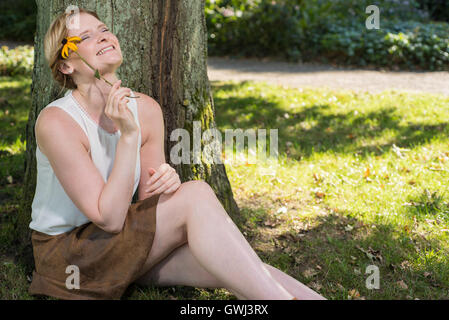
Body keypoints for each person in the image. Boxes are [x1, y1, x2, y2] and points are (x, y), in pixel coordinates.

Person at [29, 7, 326, 300]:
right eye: (86, 37)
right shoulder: (58, 122)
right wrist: (129, 137)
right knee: (195, 195)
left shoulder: (145, 109)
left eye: (104, 29)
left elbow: (148, 207)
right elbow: (109, 219)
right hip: (69, 257)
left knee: (244, 268)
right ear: (66, 65)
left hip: (120, 245)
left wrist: (167, 184)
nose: (103, 37)